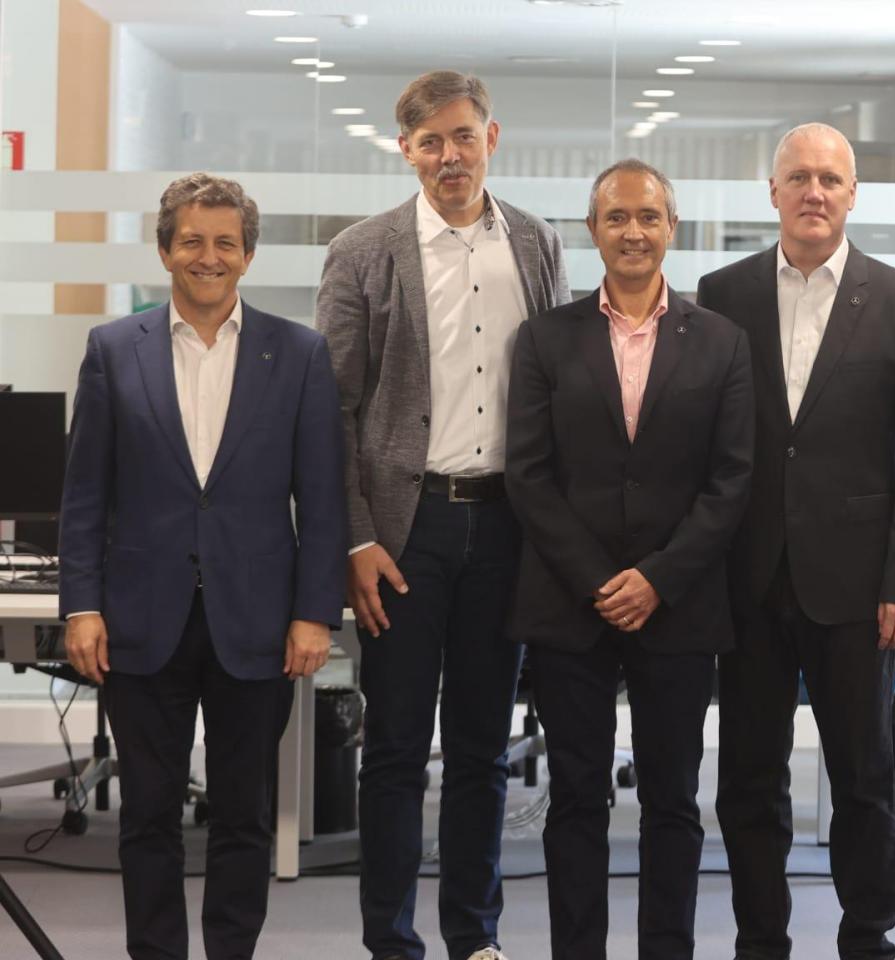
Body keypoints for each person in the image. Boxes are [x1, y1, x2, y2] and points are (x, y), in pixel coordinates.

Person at [58, 172, 346, 960]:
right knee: (147, 815)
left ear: (247, 255)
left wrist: (315, 611)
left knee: (245, 816)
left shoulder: (299, 353)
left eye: (225, 242)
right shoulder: (115, 350)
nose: (208, 257)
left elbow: (321, 500)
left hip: (256, 624)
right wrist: (79, 604)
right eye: (192, 240)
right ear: (164, 249)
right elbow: (85, 494)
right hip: (139, 623)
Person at [315, 70, 569, 960]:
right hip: (402, 535)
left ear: (491, 138)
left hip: (505, 528)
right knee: (390, 749)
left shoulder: (535, 245)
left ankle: (474, 937)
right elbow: (333, 413)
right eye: (431, 142)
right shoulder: (362, 252)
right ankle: (390, 941)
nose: (449, 156)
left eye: (464, 137)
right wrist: (353, 536)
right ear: (407, 151)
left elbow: (555, 395)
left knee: (481, 749)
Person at [698, 122, 895, 960]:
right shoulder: (721, 292)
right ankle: (760, 937)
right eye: (799, 178)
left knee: (865, 779)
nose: (814, 193)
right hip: (751, 579)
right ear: (772, 193)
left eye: (830, 180)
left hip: (859, 586)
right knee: (749, 781)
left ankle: (868, 934)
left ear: (851, 196)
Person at [506, 158, 753, 960]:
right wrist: (598, 581)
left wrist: (658, 577)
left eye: (648, 216)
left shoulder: (721, 342)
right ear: (593, 231)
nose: (633, 232)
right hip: (569, 607)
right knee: (575, 797)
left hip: (678, 606)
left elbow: (732, 478)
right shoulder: (545, 339)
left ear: (671, 229)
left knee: (673, 802)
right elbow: (529, 474)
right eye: (617, 218)